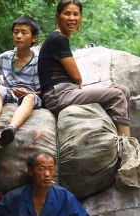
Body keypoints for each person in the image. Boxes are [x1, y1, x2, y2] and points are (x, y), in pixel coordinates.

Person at [38, 0, 132, 136]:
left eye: (76, 14)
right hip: (59, 96)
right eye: (67, 14)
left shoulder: (60, 38)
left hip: (65, 92)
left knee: (123, 90)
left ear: (80, 17)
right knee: (117, 95)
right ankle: (127, 146)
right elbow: (77, 78)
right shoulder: (58, 39)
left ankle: (114, 136)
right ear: (58, 16)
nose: (72, 18)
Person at [0, 16, 44, 146]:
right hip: (10, 92)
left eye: (23, 32)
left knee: (29, 97)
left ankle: (11, 129)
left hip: (31, 94)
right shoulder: (6, 57)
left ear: (34, 38)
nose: (18, 36)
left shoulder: (39, 60)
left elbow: (45, 88)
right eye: (16, 32)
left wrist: (29, 93)